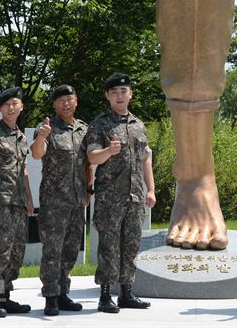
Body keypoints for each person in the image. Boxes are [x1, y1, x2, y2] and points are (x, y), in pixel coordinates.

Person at [86, 73, 156, 314]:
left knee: (131, 245)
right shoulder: (100, 124)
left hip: (135, 196)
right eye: (114, 92)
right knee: (108, 246)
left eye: (123, 91)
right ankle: (105, 295)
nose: (119, 95)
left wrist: (152, 189)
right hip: (110, 198)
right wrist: (109, 150)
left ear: (130, 94)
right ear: (107, 96)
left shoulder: (138, 125)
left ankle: (127, 292)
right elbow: (92, 157)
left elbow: (146, 159)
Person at [30, 85, 89, 316]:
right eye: (61, 100)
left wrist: (88, 190)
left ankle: (64, 293)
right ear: (54, 104)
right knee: (53, 249)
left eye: (69, 99)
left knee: (71, 248)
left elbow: (87, 163)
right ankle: (50, 296)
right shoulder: (46, 128)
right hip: (54, 201)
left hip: (77, 199)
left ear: (76, 102)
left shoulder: (84, 129)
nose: (66, 103)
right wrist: (43, 136)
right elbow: (37, 153)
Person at [0, 87, 34, 318]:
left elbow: (24, 171)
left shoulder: (21, 137)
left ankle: (5, 296)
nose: (11, 108)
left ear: (21, 107)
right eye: (7, 105)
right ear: (0, 109)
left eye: (15, 103)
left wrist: (30, 198)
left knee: (15, 252)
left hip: (19, 203)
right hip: (0, 203)